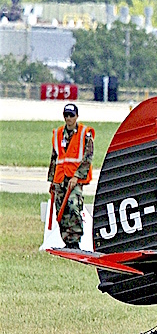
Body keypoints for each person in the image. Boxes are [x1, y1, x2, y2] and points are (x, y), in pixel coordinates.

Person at [48, 102, 95, 249]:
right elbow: (54, 158)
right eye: (66, 115)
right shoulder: (58, 134)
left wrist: (77, 177)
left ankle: (75, 241)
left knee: (73, 206)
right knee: (60, 210)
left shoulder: (84, 134)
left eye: (71, 115)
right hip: (60, 178)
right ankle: (66, 241)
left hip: (75, 179)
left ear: (77, 116)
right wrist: (52, 180)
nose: (69, 118)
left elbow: (88, 157)